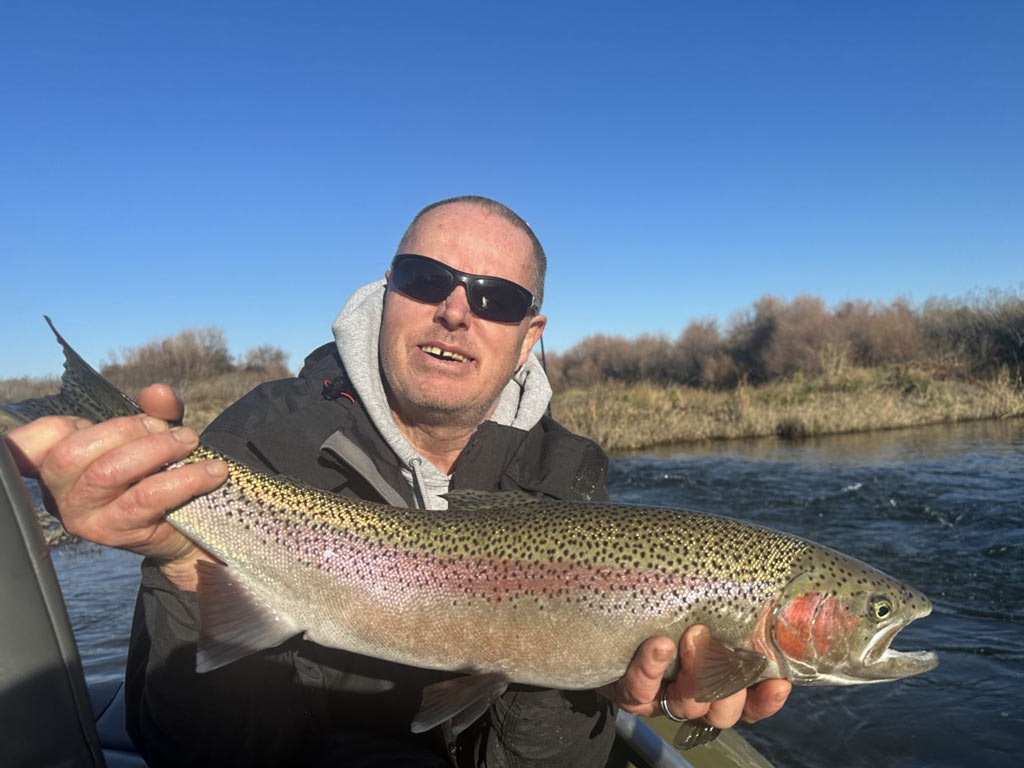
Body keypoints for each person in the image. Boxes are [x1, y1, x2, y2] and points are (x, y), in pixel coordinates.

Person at [5, 196, 791, 767]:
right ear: (387, 294)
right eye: (426, 278)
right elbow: (200, 753)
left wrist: (603, 688)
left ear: (529, 335)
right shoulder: (260, 438)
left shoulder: (565, 468)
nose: (456, 309)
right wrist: (180, 567)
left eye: (497, 297)